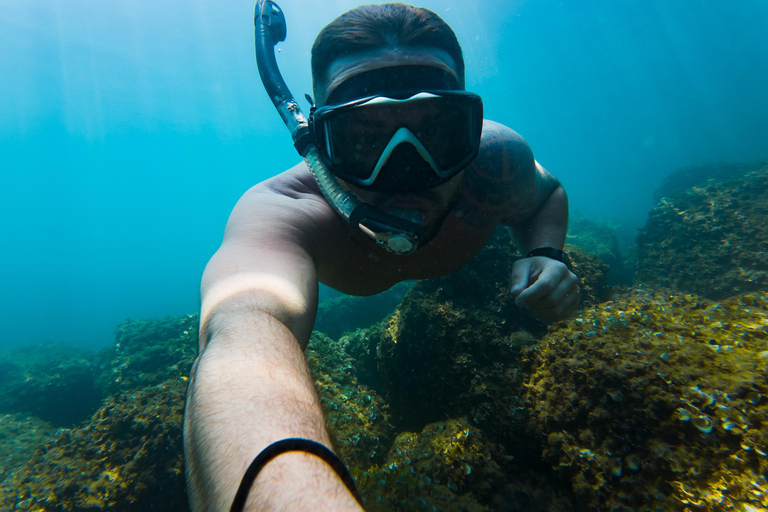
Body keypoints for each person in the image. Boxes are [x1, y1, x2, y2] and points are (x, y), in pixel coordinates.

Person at [184, 3, 580, 511]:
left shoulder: (496, 162)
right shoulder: (285, 213)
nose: (406, 170)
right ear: (317, 139)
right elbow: (243, 332)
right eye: (365, 138)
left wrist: (546, 252)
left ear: (470, 128)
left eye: (437, 131)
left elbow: (545, 196)